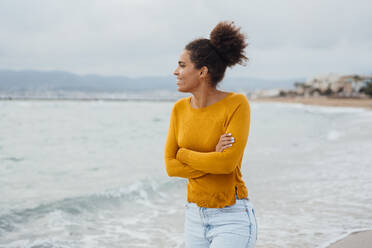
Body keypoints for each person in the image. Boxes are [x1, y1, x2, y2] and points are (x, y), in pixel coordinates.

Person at [164, 21, 257, 248]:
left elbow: (226, 164)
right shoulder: (179, 109)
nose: (176, 71)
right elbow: (170, 167)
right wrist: (211, 158)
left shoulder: (237, 104)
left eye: (182, 65)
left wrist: (185, 154)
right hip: (194, 216)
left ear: (202, 71)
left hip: (231, 217)